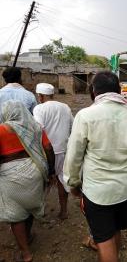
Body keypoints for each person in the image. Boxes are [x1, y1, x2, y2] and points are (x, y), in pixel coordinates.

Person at [64, 71, 127, 262]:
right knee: (115, 228)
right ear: (120, 90)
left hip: (97, 191)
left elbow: (74, 156)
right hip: (124, 189)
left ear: (93, 91)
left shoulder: (85, 116)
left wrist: (73, 183)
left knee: (104, 239)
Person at [0, 100, 55, 262]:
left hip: (11, 177)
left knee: (15, 214)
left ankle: (26, 253)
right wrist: (51, 171)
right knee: (29, 206)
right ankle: (28, 235)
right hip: (35, 171)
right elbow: (49, 149)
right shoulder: (36, 127)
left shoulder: (2, 130)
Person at [33, 83, 73, 220]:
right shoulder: (65, 107)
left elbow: (38, 129)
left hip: (46, 151)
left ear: (40, 96)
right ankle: (64, 211)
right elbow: (71, 127)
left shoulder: (39, 109)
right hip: (63, 150)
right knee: (62, 180)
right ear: (52, 95)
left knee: (43, 182)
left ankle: (39, 212)